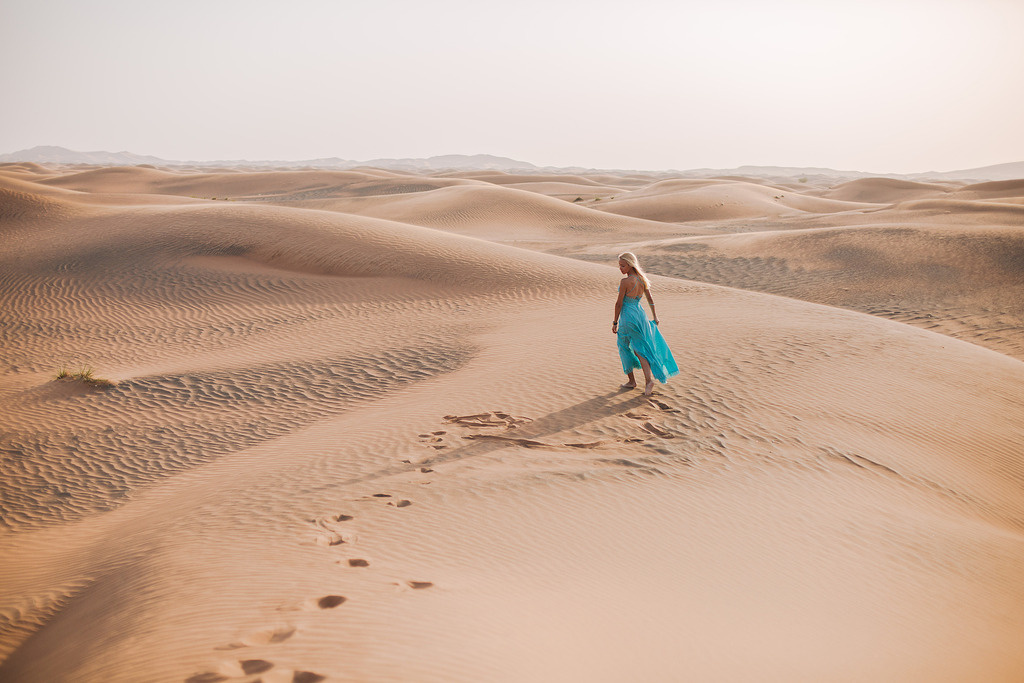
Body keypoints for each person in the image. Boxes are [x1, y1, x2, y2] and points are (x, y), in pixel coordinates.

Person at [612, 252, 679, 395]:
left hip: (628, 317)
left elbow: (618, 304)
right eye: (619, 266)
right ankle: (648, 381)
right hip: (640, 316)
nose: (620, 268)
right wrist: (655, 317)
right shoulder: (642, 280)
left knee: (623, 346)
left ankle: (632, 381)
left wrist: (615, 322)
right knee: (640, 349)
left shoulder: (625, 282)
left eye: (623, 266)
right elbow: (650, 300)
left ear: (630, 265)